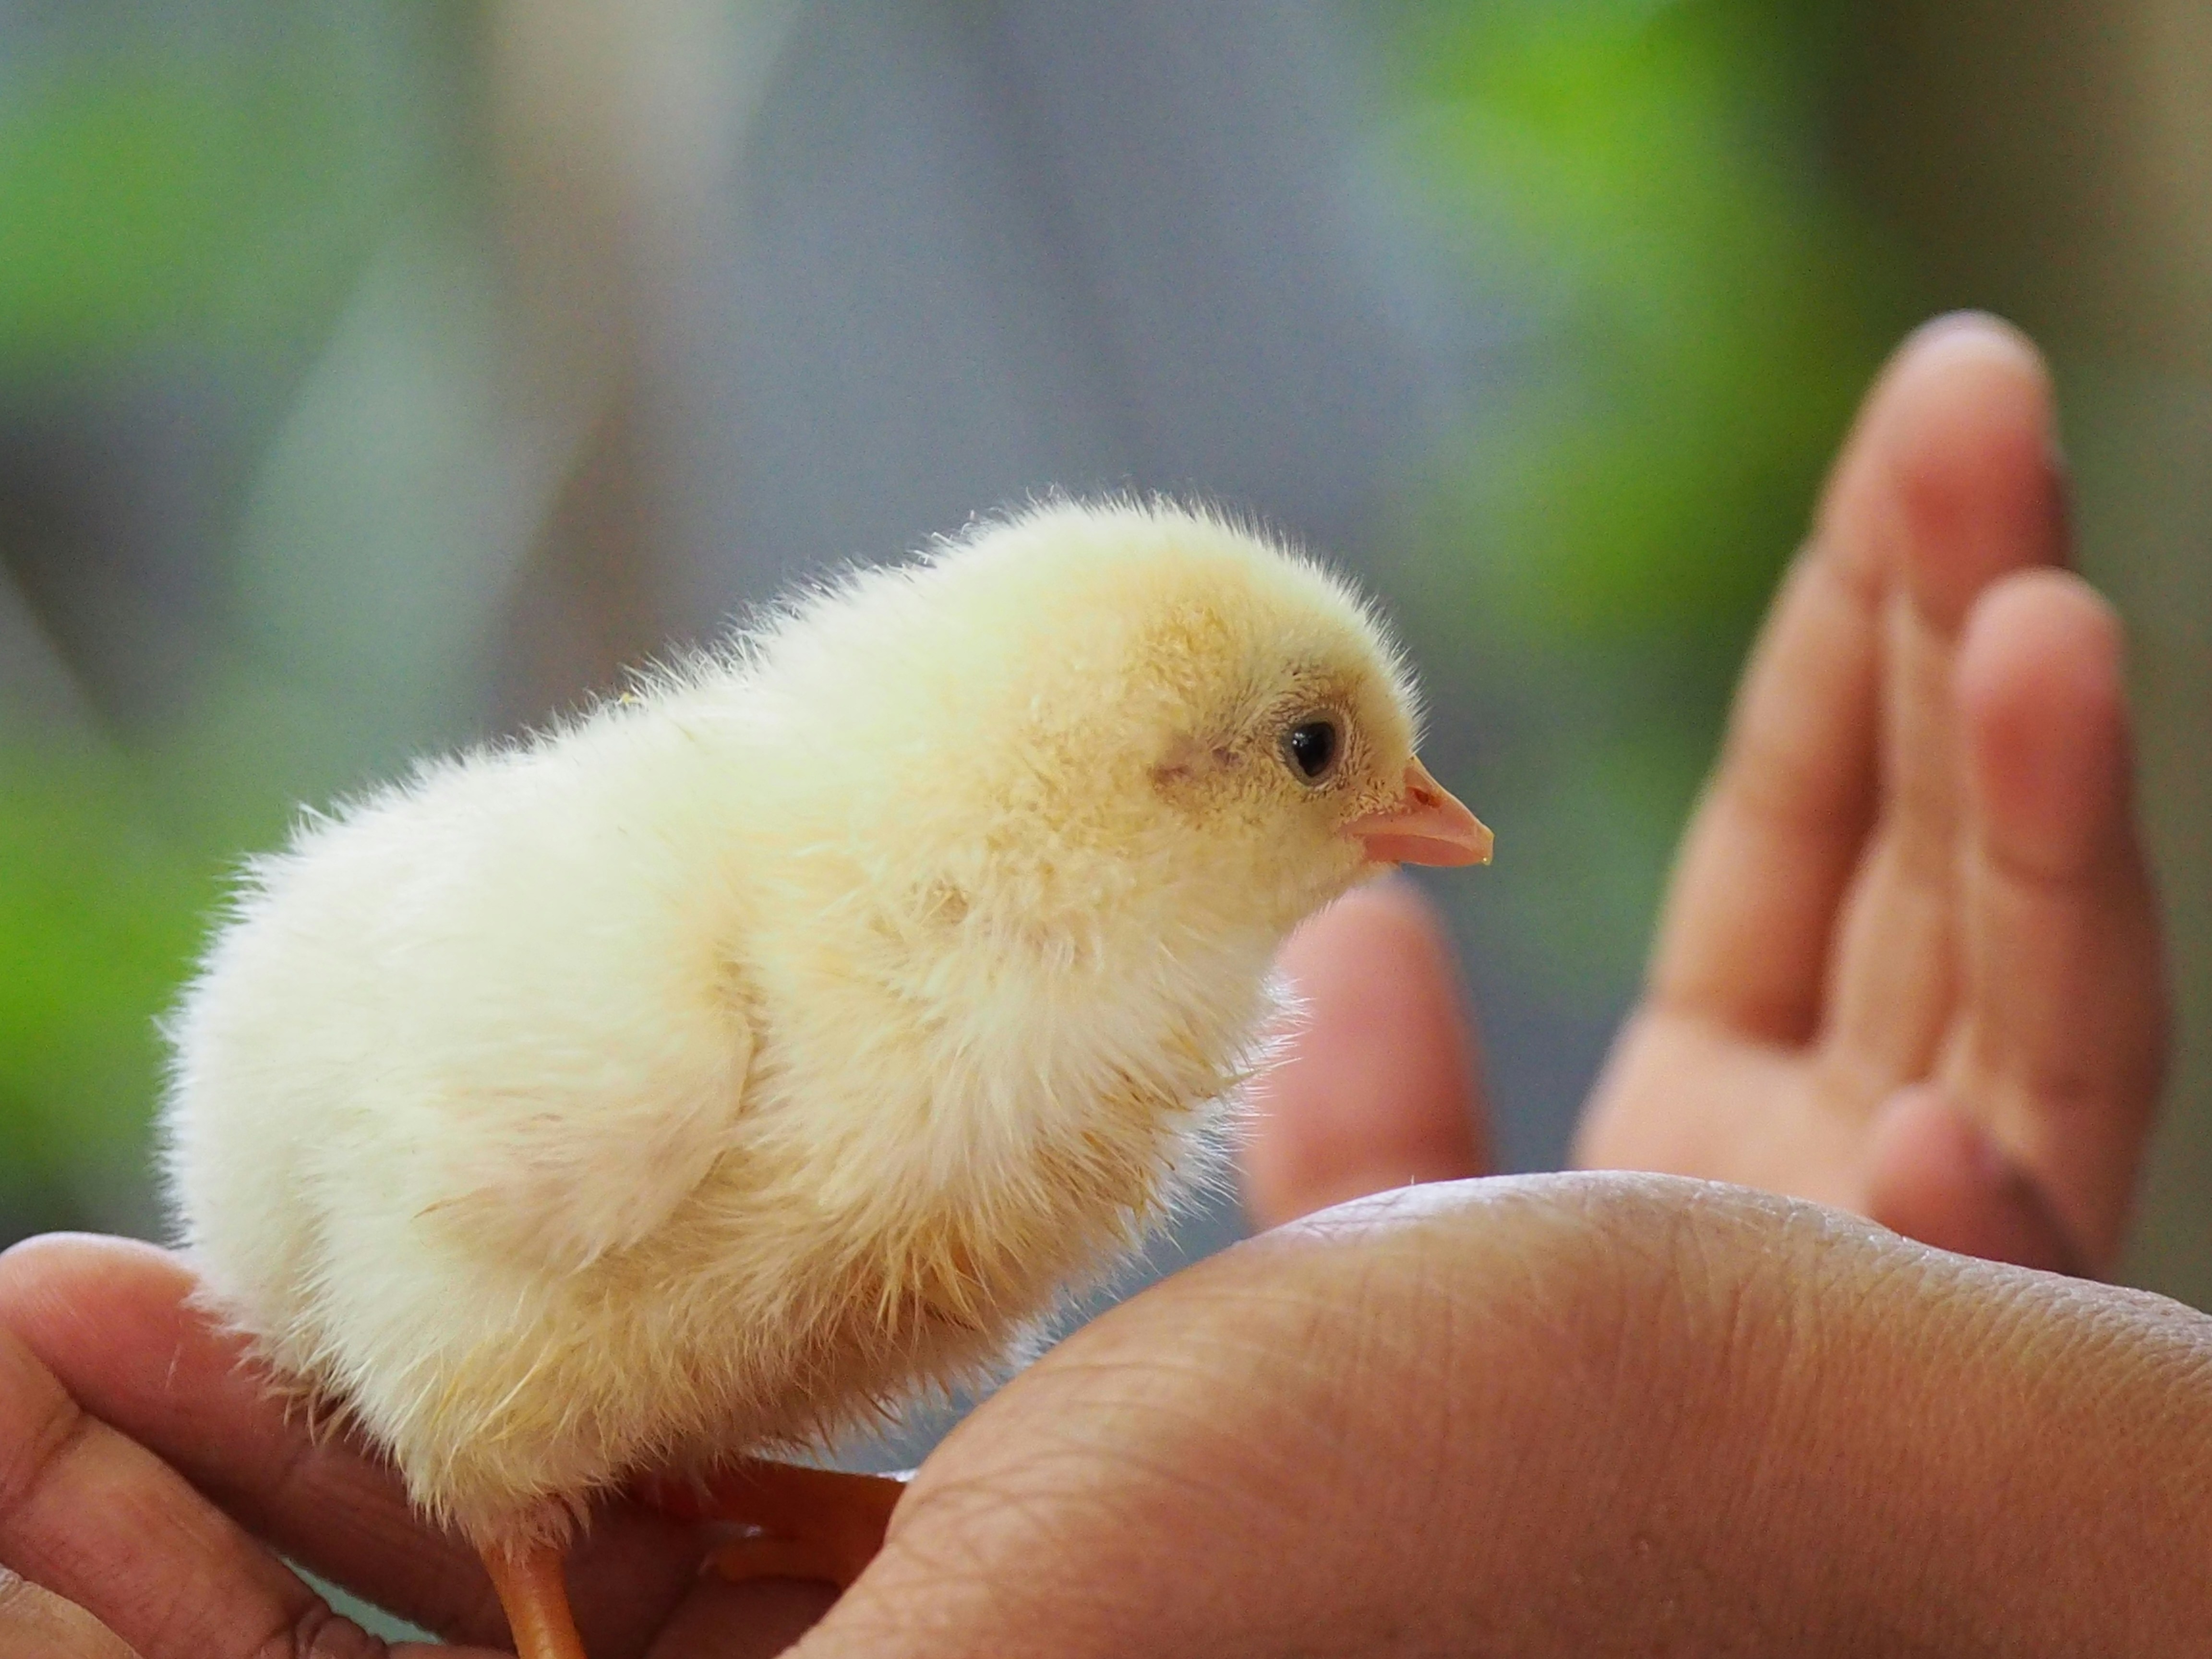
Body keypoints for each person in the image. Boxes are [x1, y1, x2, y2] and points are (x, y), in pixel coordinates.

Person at [0, 315, 2185, 1657]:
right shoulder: (669, 966)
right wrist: (1854, 1487)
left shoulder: (1040, 1040)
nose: (1408, 807)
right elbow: (367, 1165)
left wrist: (1859, 1480)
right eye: (1326, 756)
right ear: (1149, 781)